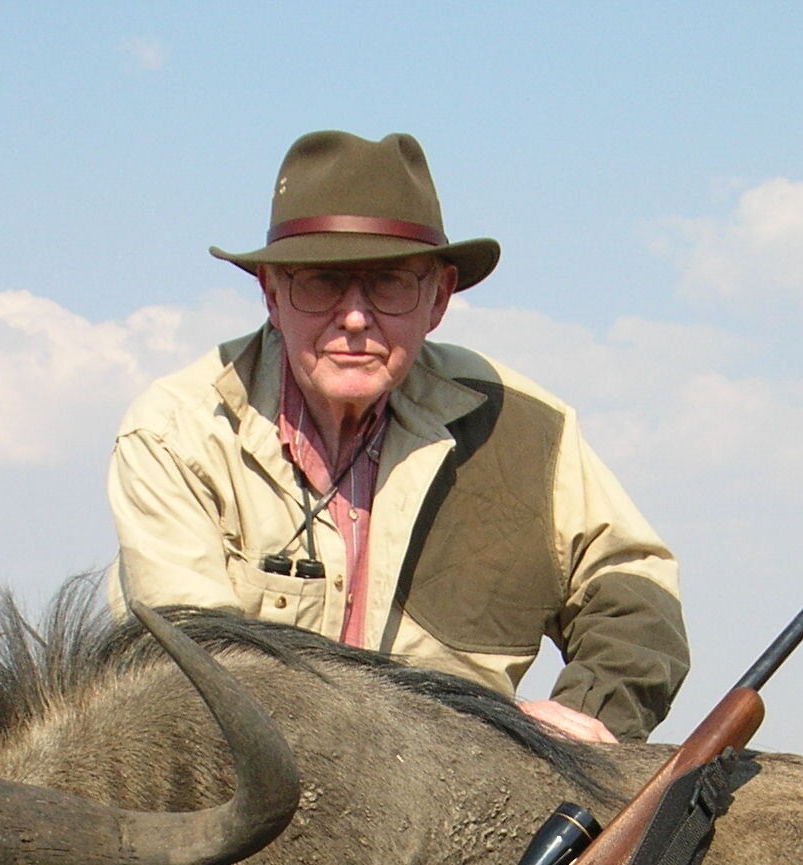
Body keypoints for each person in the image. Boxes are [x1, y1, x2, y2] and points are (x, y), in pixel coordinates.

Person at [106, 130, 687, 743]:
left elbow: (634, 587)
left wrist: (588, 719)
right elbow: (196, 685)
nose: (355, 318)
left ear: (437, 299)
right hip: (251, 795)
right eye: (321, 283)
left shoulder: (525, 428)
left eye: (389, 283)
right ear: (271, 295)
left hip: (472, 801)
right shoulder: (177, 432)